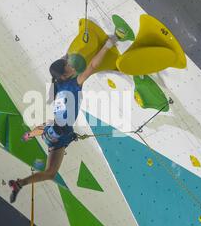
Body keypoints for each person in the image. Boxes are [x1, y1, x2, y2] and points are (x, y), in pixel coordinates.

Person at [8, 35, 119, 203]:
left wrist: (69, 53)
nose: (71, 66)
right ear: (63, 75)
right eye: (68, 66)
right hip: (53, 134)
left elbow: (70, 64)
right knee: (50, 171)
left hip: (55, 135)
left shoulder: (58, 84)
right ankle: (21, 182)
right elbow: (92, 66)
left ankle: (21, 182)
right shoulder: (72, 84)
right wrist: (109, 43)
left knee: (50, 172)